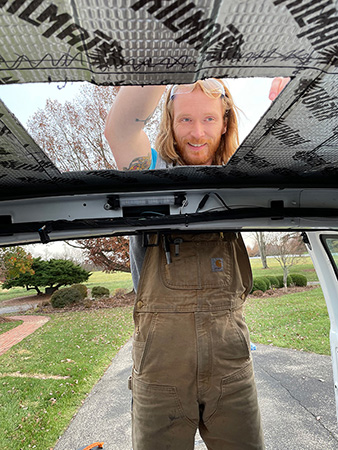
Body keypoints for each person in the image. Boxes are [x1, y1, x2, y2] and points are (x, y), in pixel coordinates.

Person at [104, 78, 287, 450]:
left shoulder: (242, 180)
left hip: (231, 367)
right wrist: (174, 64)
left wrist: (287, 107)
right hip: (160, 373)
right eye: (185, 119)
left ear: (225, 122)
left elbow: (297, 163)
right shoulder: (149, 174)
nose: (198, 133)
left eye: (208, 119)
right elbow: (120, 129)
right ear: (169, 122)